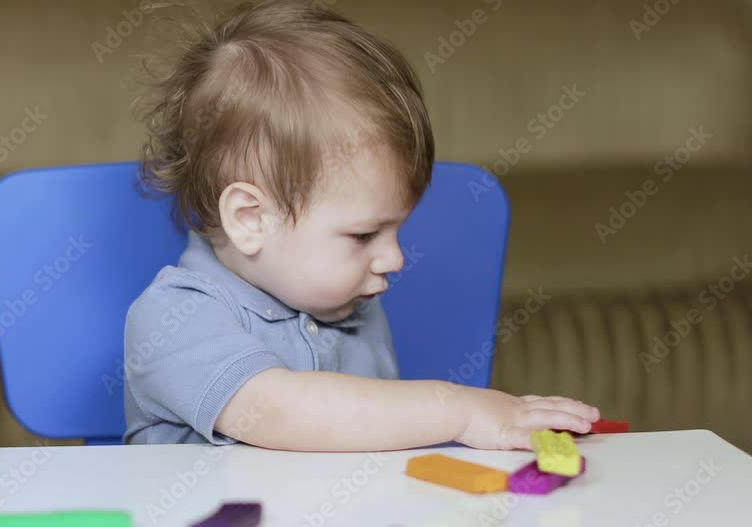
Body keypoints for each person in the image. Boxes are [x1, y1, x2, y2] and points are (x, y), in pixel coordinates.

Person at [122, 0, 599, 451]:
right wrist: (461, 410)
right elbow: (280, 412)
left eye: (396, 230)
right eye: (364, 235)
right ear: (251, 219)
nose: (395, 258)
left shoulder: (346, 306)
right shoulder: (174, 319)